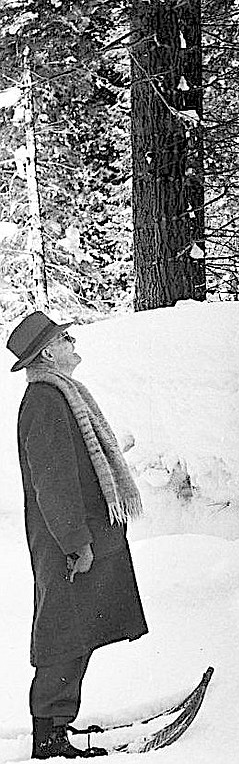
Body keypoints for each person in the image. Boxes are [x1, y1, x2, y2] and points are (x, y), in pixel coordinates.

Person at [6, 311, 148, 760]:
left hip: (81, 538)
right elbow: (54, 481)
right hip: (69, 543)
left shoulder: (60, 395)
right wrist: (75, 543)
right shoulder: (46, 400)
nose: (73, 339)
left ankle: (57, 723)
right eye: (65, 337)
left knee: (75, 631)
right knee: (63, 635)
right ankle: (48, 734)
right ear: (48, 352)